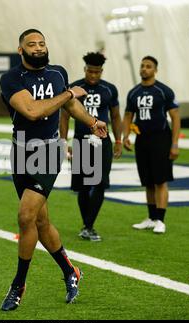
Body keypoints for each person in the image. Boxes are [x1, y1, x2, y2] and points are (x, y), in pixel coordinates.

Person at [0, 29, 108, 311]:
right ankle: (71, 271)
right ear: (20, 49)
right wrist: (69, 93)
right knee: (40, 222)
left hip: (47, 151)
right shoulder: (11, 78)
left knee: (25, 216)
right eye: (31, 44)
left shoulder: (57, 72)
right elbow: (33, 111)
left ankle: (18, 286)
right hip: (21, 150)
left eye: (42, 43)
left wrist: (92, 120)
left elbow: (70, 104)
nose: (38, 48)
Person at [60, 52, 122, 241]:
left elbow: (115, 116)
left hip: (102, 141)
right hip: (81, 140)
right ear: (85, 69)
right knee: (83, 186)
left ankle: (89, 225)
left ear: (101, 71)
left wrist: (118, 140)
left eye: (97, 72)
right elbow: (64, 116)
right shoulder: (74, 89)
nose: (93, 75)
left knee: (101, 183)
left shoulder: (109, 89)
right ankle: (87, 225)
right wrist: (63, 141)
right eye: (90, 71)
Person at [123, 56, 180, 234]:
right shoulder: (134, 92)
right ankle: (151, 217)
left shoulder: (163, 91)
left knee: (160, 180)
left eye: (148, 66)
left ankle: (161, 221)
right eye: (142, 66)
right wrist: (126, 136)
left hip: (161, 138)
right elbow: (128, 116)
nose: (144, 69)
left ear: (155, 70)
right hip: (142, 139)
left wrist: (175, 143)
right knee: (147, 181)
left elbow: (176, 118)